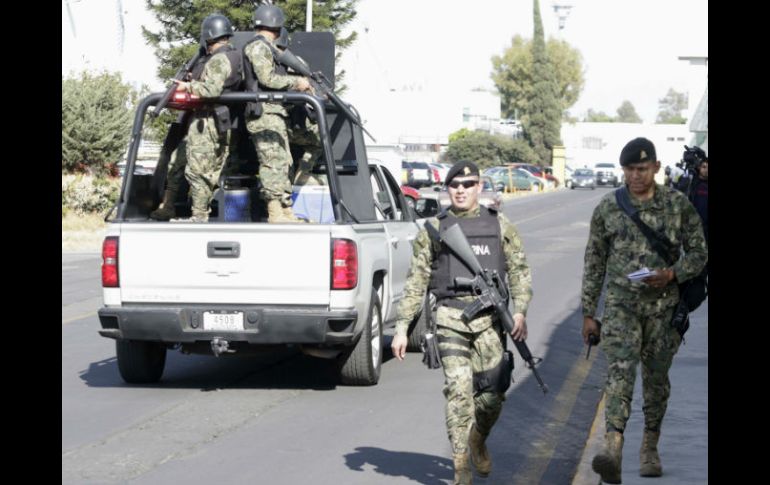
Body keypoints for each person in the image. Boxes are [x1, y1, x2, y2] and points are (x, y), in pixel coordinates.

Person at [391, 161, 533, 485]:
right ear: (447, 189)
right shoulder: (433, 229)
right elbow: (416, 281)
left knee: (492, 396)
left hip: (490, 322)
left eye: (468, 184)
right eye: (454, 185)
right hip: (450, 319)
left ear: (479, 187)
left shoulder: (500, 226)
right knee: (458, 392)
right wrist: (401, 328)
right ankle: (460, 469)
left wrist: (520, 311)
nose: (460, 190)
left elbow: (520, 272)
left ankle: (477, 438)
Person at [581, 137, 707, 483]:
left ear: (655, 167)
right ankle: (613, 449)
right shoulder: (608, 207)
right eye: (629, 170)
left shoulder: (677, 206)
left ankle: (649, 448)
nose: (635, 176)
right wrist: (589, 312)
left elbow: (699, 253)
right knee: (619, 375)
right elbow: (594, 261)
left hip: (662, 310)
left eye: (641, 168)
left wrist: (672, 274)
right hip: (621, 307)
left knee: (655, 381)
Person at [151, 14, 243, 222]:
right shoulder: (227, 56)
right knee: (177, 163)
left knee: (198, 170)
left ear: (209, 36)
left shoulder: (220, 59)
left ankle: (199, 215)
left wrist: (187, 87)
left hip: (208, 121)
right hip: (202, 121)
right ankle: (168, 206)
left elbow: (212, 89)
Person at [242, 4, 316, 222]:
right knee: (273, 162)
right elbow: (267, 79)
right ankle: (275, 211)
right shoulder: (259, 47)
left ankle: (286, 210)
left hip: (273, 113)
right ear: (276, 25)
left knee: (284, 162)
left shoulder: (267, 47)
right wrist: (297, 82)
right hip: (263, 113)